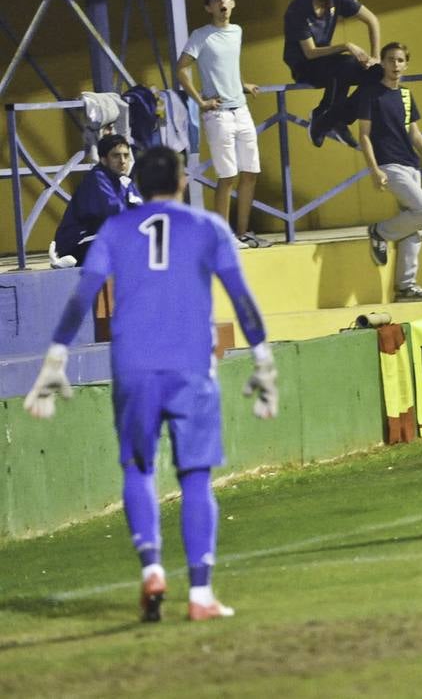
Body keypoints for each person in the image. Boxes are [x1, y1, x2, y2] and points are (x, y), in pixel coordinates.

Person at [24, 146, 278, 623]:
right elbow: (241, 299)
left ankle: (152, 568)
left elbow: (83, 293)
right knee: (196, 477)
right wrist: (263, 359)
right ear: (183, 182)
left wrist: (56, 356)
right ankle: (200, 594)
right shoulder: (207, 228)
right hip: (189, 366)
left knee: (138, 469)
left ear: (136, 184)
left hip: (134, 365)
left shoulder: (116, 229)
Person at [176, 0, 269, 249]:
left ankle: (242, 232)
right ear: (208, 7)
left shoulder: (237, 31)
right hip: (218, 114)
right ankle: (222, 237)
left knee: (250, 171)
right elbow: (182, 68)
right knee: (227, 176)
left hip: (241, 109)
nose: (222, 2)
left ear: (233, 2)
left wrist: (242, 84)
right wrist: (200, 101)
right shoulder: (201, 35)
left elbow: (227, 66)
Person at [357, 42, 422, 303]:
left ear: (406, 64)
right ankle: (379, 232)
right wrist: (373, 169)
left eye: (400, 60)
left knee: (414, 225)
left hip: (411, 163)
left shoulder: (406, 95)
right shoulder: (371, 94)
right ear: (382, 63)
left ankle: (406, 286)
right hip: (389, 165)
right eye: (391, 60)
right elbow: (364, 135)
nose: (395, 65)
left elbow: (414, 132)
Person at [282, 0, 380, 149]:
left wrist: (375, 57)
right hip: (304, 66)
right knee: (346, 63)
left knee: (378, 74)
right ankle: (322, 115)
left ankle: (336, 120)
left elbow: (372, 20)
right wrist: (345, 45)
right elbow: (309, 53)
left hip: (329, 62)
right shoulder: (298, 8)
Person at [52, 133, 142, 265]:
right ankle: (65, 262)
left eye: (126, 155)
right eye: (116, 156)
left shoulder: (124, 181)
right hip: (75, 245)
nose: (123, 161)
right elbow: (115, 212)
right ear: (104, 159)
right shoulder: (97, 178)